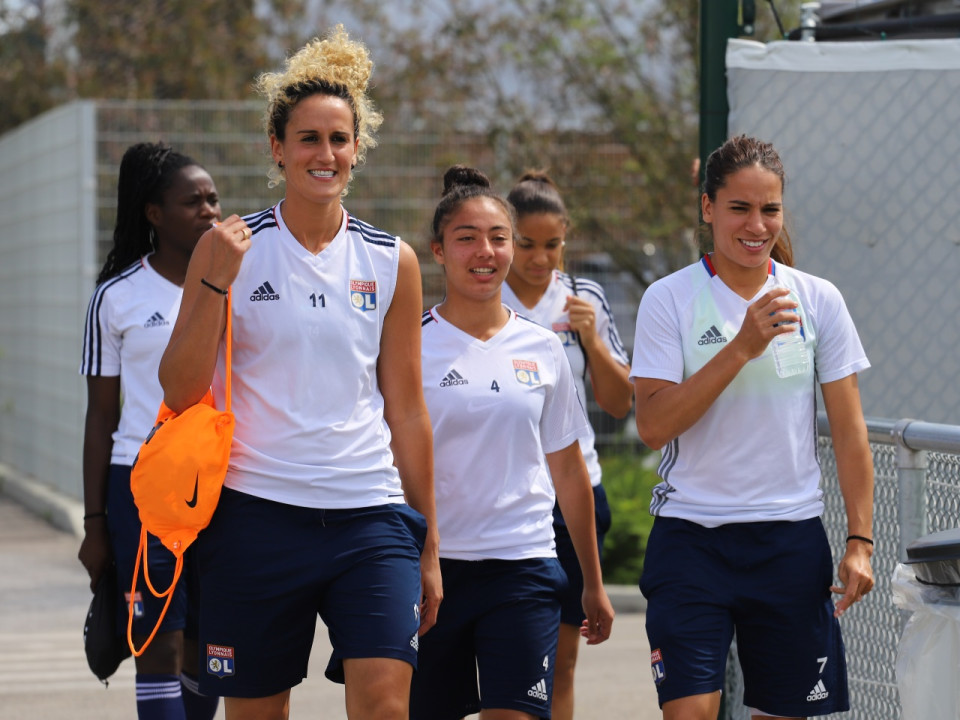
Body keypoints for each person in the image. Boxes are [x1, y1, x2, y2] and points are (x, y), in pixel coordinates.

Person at [157, 25, 441, 720]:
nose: (325, 153)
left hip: (369, 518)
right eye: (308, 139)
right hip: (255, 516)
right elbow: (179, 388)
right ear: (277, 149)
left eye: (339, 139)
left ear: (357, 150)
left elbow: (406, 408)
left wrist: (430, 543)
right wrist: (217, 285)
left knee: (384, 706)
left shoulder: (391, 260)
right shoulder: (227, 249)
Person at [631, 135, 875, 720]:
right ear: (708, 207)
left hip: (789, 540)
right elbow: (654, 425)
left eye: (770, 209)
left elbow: (849, 431)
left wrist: (859, 542)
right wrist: (740, 347)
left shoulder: (818, 299)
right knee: (689, 710)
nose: (756, 225)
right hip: (692, 538)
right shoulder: (669, 300)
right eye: (739, 207)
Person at [410, 165, 615, 720]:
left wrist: (593, 585)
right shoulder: (410, 346)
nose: (486, 251)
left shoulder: (545, 348)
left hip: (522, 565)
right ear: (438, 251)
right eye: (467, 238)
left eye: (499, 238)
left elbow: (569, 471)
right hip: (434, 571)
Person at [78, 141, 222, 720]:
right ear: (154, 214)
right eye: (193, 202)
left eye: (214, 199)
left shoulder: (239, 286)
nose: (210, 212)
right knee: (157, 639)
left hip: (221, 485)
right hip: (140, 490)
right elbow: (100, 418)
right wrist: (95, 525)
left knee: (209, 644)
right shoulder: (116, 298)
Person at [500, 171, 632, 720]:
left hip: (575, 494)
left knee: (560, 663)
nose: (539, 259)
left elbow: (621, 402)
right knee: (506, 663)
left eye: (552, 245)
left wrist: (592, 340)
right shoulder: (483, 291)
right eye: (526, 244)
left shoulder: (586, 298)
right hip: (503, 499)